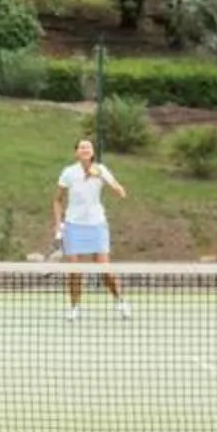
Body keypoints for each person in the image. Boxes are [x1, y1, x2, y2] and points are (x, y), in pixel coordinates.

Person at [53, 136, 132, 317]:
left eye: (88, 147)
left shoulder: (102, 170)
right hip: (73, 227)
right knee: (74, 271)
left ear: (93, 152)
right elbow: (57, 200)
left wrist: (101, 176)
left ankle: (120, 301)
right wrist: (58, 224)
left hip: (97, 225)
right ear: (76, 153)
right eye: (81, 147)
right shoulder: (68, 173)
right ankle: (74, 307)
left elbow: (121, 192)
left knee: (104, 270)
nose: (85, 149)